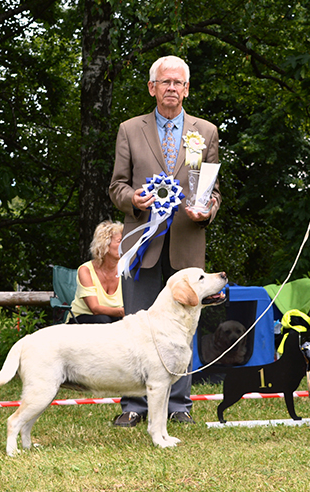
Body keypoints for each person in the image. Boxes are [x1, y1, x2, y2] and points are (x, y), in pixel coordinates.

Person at [109, 54, 221, 427]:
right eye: (164, 82)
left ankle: (178, 404)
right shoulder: (129, 129)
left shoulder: (206, 131)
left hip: (187, 243)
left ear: (187, 89)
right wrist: (133, 200)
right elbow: (116, 186)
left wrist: (208, 210)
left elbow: (212, 189)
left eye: (178, 82)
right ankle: (133, 406)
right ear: (151, 87)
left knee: (183, 326)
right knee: (134, 327)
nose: (171, 88)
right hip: (142, 243)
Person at [70, 220, 125, 324]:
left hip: (114, 319)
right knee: (103, 320)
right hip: (82, 320)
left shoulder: (126, 270)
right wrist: (123, 312)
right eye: (119, 241)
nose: (124, 245)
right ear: (105, 246)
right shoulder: (85, 270)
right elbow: (95, 309)